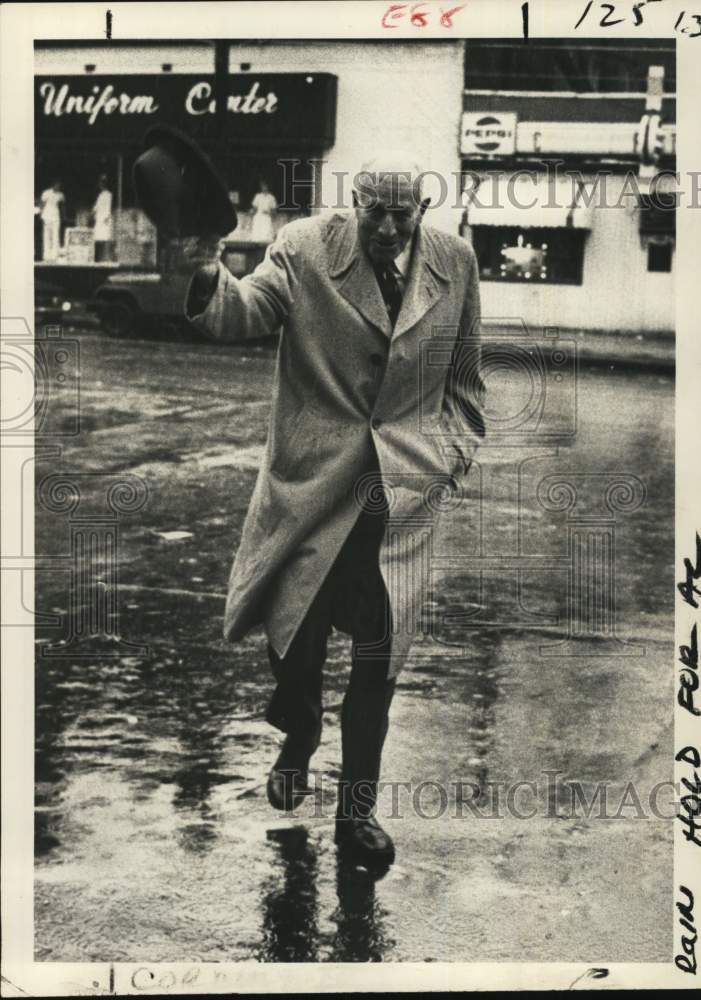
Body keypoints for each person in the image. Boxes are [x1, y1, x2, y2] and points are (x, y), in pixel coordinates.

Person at [186, 151, 485, 867]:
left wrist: (447, 459)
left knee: (378, 664)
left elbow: (465, 380)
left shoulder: (456, 263)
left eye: (400, 216)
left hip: (400, 501)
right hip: (313, 492)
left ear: (422, 212)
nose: (385, 229)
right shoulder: (304, 247)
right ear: (354, 205)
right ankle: (300, 731)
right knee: (295, 642)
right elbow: (239, 312)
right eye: (372, 213)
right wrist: (203, 266)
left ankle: (357, 813)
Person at [39, 179, 65, 261]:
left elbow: (63, 206)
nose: (58, 187)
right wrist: (41, 214)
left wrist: (63, 216)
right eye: (57, 185)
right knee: (47, 236)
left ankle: (54, 256)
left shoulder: (61, 195)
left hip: (56, 216)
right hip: (47, 216)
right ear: (53, 185)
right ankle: (47, 256)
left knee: (55, 235)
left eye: (59, 185)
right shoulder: (46, 193)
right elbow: (42, 204)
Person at [92, 174, 114, 262]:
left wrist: (106, 217)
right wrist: (93, 214)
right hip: (99, 218)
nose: (100, 185)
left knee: (105, 238)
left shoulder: (108, 195)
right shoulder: (100, 195)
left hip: (105, 219)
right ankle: (98, 258)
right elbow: (96, 207)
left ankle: (106, 258)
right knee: (97, 238)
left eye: (102, 183)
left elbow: (108, 207)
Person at [250, 178, 277, 243]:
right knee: (257, 232)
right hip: (259, 216)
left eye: (265, 186)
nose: (264, 188)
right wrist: (251, 212)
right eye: (263, 186)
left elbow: (274, 210)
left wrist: (270, 213)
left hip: (267, 217)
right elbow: (254, 208)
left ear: (268, 187)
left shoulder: (271, 197)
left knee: (266, 233)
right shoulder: (258, 196)